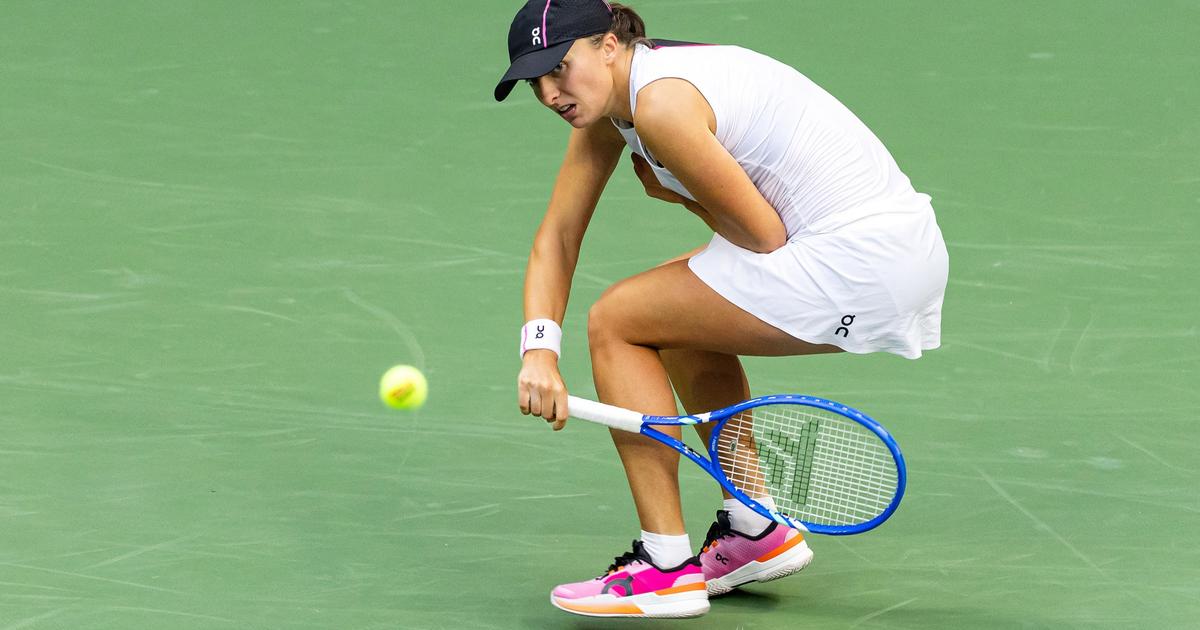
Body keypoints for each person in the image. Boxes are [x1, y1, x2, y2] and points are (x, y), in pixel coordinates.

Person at [495, 0, 948, 619]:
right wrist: (539, 352)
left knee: (618, 320)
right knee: (671, 316)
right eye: (535, 81)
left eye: (559, 68)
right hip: (893, 249)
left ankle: (664, 567)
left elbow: (762, 236)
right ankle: (756, 528)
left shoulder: (661, 106)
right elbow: (558, 235)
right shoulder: (622, 98)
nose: (550, 93)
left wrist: (677, 196)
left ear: (609, 45)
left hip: (861, 262)